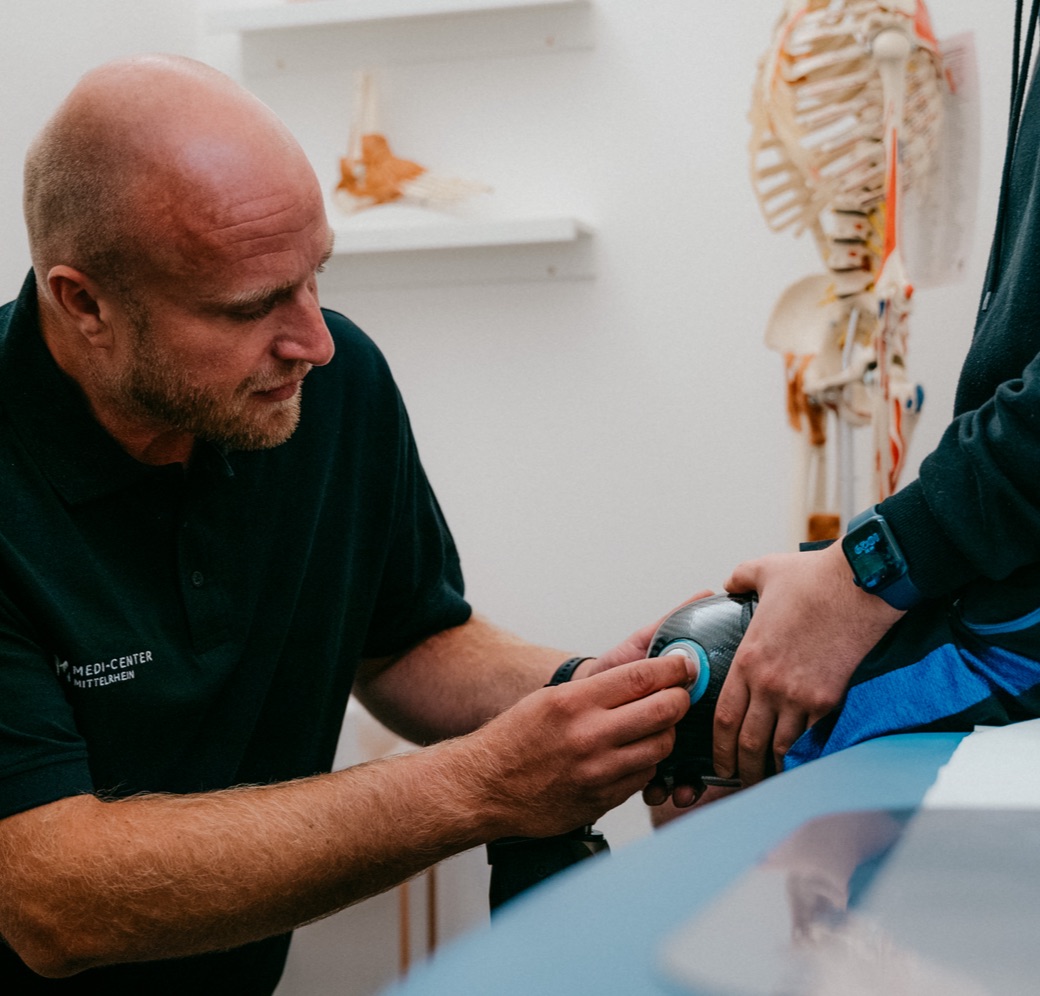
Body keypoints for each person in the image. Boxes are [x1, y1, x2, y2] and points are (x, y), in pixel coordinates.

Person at [0, 54, 701, 992]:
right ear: (85, 303)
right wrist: (481, 784)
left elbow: (409, 642)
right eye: (252, 307)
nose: (315, 342)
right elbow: (52, 895)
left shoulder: (328, 390)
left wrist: (606, 699)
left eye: (315, 276)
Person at [710, 0, 1040, 790]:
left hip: (1012, 595)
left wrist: (872, 573)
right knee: (703, 676)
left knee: (713, 749)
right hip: (997, 551)